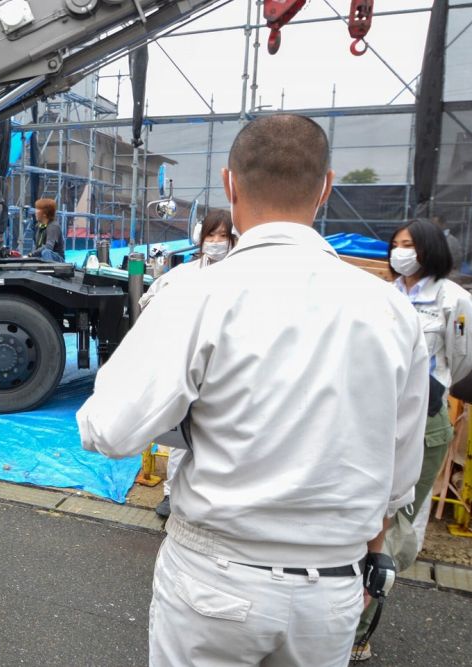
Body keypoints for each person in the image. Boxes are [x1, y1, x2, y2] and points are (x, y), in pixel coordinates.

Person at [76, 114, 427, 667]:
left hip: (216, 577)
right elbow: (399, 472)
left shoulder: (196, 295)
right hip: (331, 590)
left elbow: (109, 429)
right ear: (326, 186)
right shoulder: (390, 310)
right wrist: (371, 557)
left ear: (229, 184)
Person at [351, 218, 472, 661]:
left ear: (430, 249)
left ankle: (360, 630)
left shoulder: (454, 300)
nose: (402, 252)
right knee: (363, 515)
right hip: (374, 418)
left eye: (411, 245)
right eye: (396, 245)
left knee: (397, 522)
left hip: (424, 421)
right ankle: (343, 614)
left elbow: (461, 364)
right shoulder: (383, 295)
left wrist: (430, 391)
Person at [136, 209, 237, 519]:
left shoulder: (244, 276)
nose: (217, 242)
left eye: (223, 236)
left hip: (228, 372)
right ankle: (172, 494)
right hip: (188, 368)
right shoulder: (184, 274)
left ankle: (216, 499)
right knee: (182, 436)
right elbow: (148, 302)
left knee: (223, 436)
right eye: (212, 235)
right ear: (201, 238)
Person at [28, 198, 65, 262]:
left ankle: (49, 269)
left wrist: (32, 254)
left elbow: (48, 247)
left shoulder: (53, 226)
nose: (35, 212)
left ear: (45, 213)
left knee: (46, 252)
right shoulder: (38, 226)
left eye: (38, 209)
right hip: (42, 257)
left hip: (57, 260)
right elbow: (37, 247)